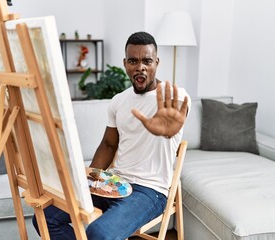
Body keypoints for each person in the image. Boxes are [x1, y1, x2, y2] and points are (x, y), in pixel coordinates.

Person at [32, 31, 191, 240]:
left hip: (149, 191)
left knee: (98, 233)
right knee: (45, 216)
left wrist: (170, 132)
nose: (140, 66)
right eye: (133, 61)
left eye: (147, 61)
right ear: (125, 64)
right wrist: (89, 179)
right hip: (114, 182)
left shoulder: (175, 98)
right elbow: (108, 145)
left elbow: (178, 116)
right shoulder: (118, 101)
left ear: (157, 63)